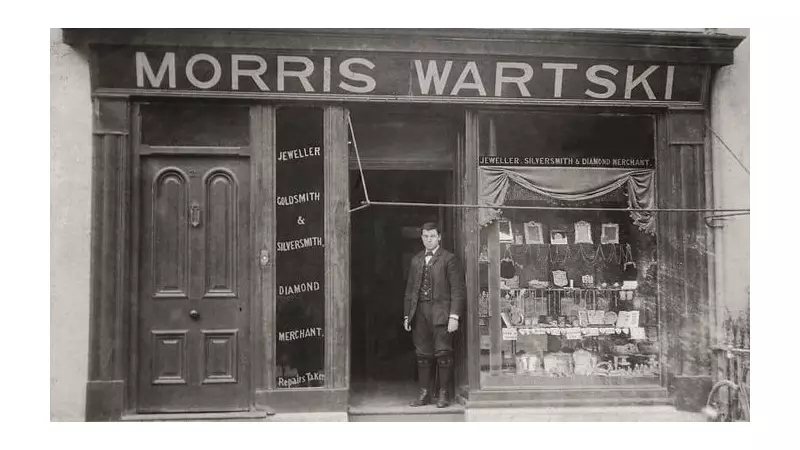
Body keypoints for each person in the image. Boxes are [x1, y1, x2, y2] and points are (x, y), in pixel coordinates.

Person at [403, 222, 466, 408]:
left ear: (439, 237)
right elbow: (409, 290)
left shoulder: (449, 259)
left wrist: (454, 316)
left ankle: (443, 394)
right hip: (420, 312)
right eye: (425, 236)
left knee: (443, 353)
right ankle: (424, 394)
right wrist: (407, 315)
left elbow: (457, 290)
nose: (428, 239)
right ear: (421, 237)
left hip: (441, 313)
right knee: (422, 354)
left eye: (432, 236)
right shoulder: (416, 260)